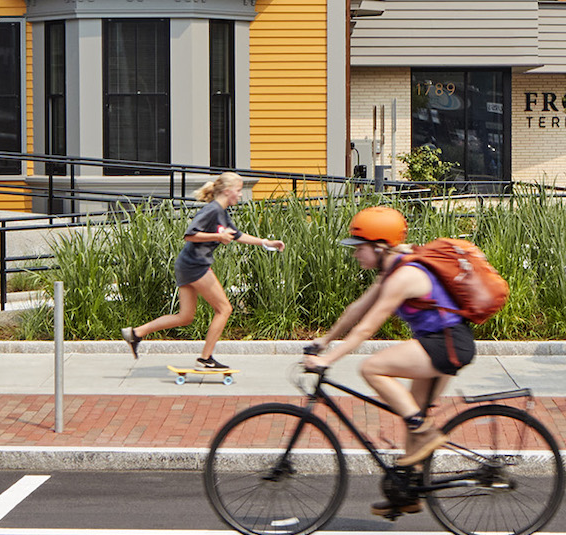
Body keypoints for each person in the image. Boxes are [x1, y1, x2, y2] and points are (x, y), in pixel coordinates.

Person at [304, 205, 475, 511]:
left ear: (381, 246)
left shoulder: (404, 276)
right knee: (412, 412)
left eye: (361, 248)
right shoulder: (391, 271)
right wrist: (324, 340)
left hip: (447, 344)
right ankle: (407, 494)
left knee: (372, 368)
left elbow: (367, 327)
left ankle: (425, 434)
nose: (356, 254)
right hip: (439, 342)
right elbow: (357, 310)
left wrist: (329, 360)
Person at [122, 172, 283, 369]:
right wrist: (217, 237)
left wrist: (267, 243)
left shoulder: (222, 213)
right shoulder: (212, 210)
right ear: (227, 191)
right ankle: (205, 359)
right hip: (195, 265)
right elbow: (190, 235)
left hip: (187, 264)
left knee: (185, 317)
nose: (240, 195)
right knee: (224, 309)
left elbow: (237, 235)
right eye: (239, 191)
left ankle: (135, 333)